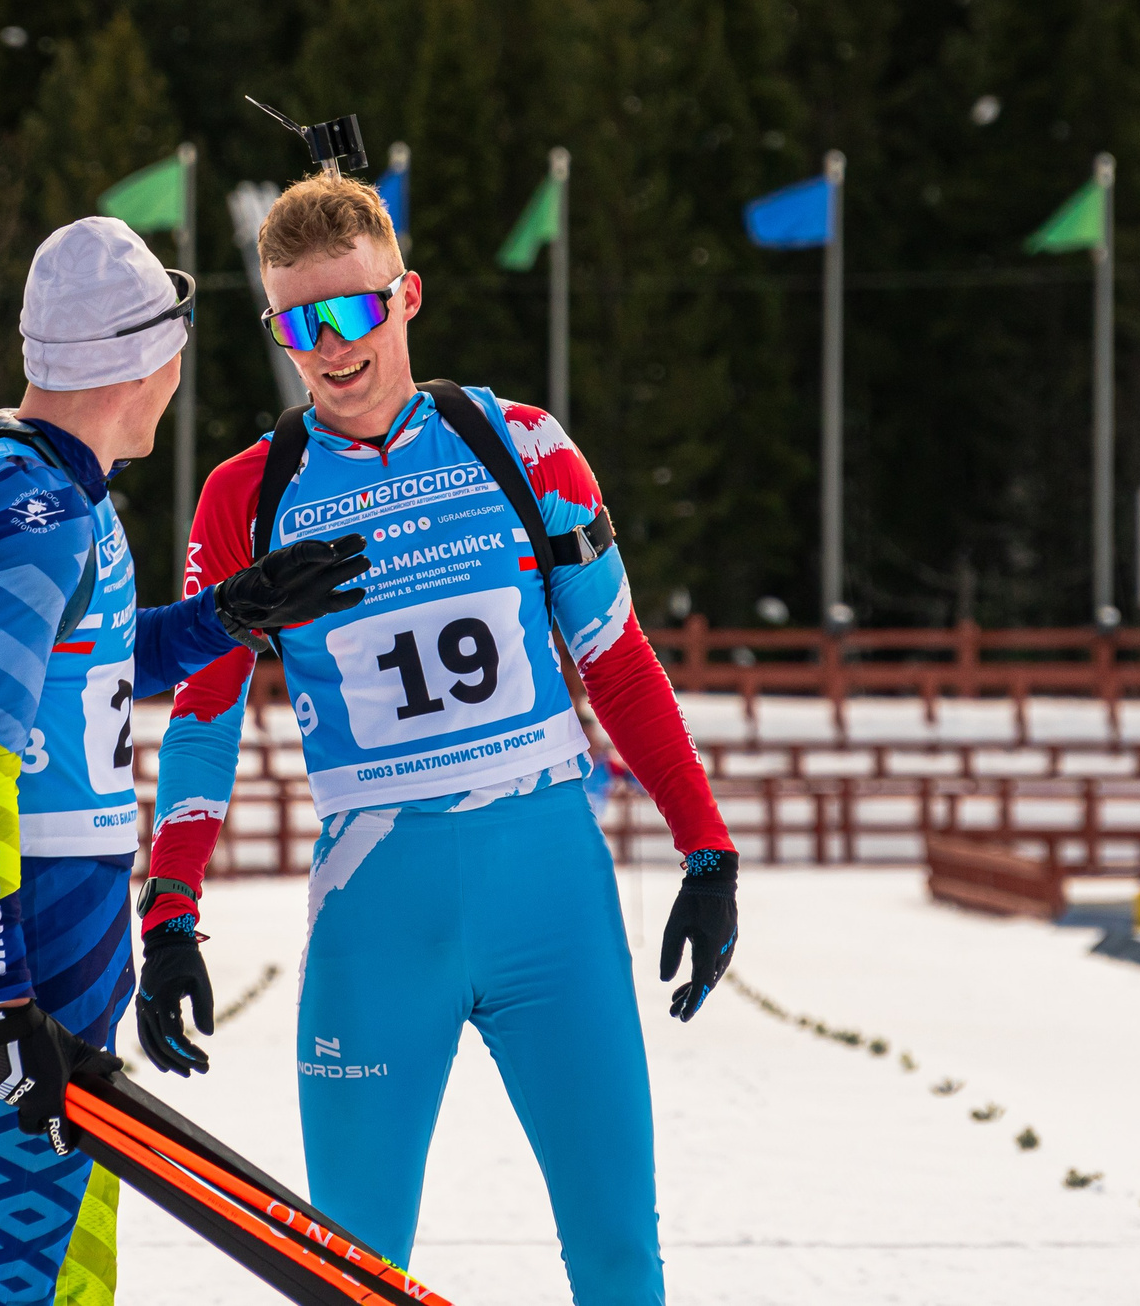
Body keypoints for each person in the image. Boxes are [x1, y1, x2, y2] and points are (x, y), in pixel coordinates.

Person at [132, 172, 739, 1305]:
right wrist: (169, 912)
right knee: (351, 1276)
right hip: (377, 912)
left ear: (406, 296)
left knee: (618, 1260)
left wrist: (707, 851)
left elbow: (615, 657)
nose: (332, 346)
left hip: (549, 896)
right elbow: (204, 718)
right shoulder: (245, 498)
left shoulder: (521, 446)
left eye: (355, 309)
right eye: (298, 322)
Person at [0, 216, 366, 1306]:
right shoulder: (29, 511)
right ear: (144, 361)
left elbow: (98, 662)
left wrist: (231, 614)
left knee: (71, 1275)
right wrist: (2, 988)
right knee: (11, 1280)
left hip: (66, 925)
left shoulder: (64, 495)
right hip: (32, 922)